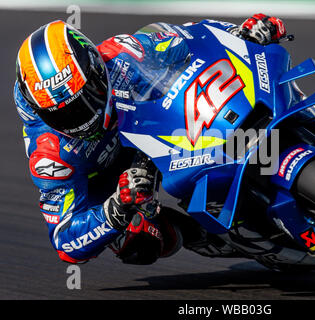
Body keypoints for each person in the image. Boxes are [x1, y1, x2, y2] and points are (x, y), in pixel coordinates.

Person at [13, 14, 287, 264]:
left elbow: (193, 36)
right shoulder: (49, 155)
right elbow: (64, 241)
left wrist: (240, 34)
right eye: (64, 115)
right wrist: (116, 207)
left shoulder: (121, 55)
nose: (82, 117)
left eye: (86, 97)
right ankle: (207, 236)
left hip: (156, 126)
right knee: (137, 241)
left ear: (96, 68)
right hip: (112, 178)